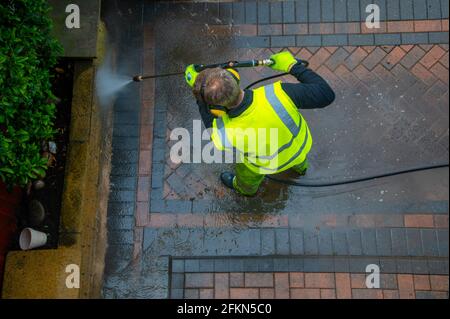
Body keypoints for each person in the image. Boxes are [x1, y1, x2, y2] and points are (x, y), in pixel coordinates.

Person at [184, 51, 335, 196]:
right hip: (298, 149)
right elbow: (326, 94)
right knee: (299, 160)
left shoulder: (223, 133)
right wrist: (292, 66)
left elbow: (208, 119)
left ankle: (245, 191)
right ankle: (301, 169)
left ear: (216, 109)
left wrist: (198, 93)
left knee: (247, 180)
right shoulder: (278, 93)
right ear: (235, 77)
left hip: (261, 166)